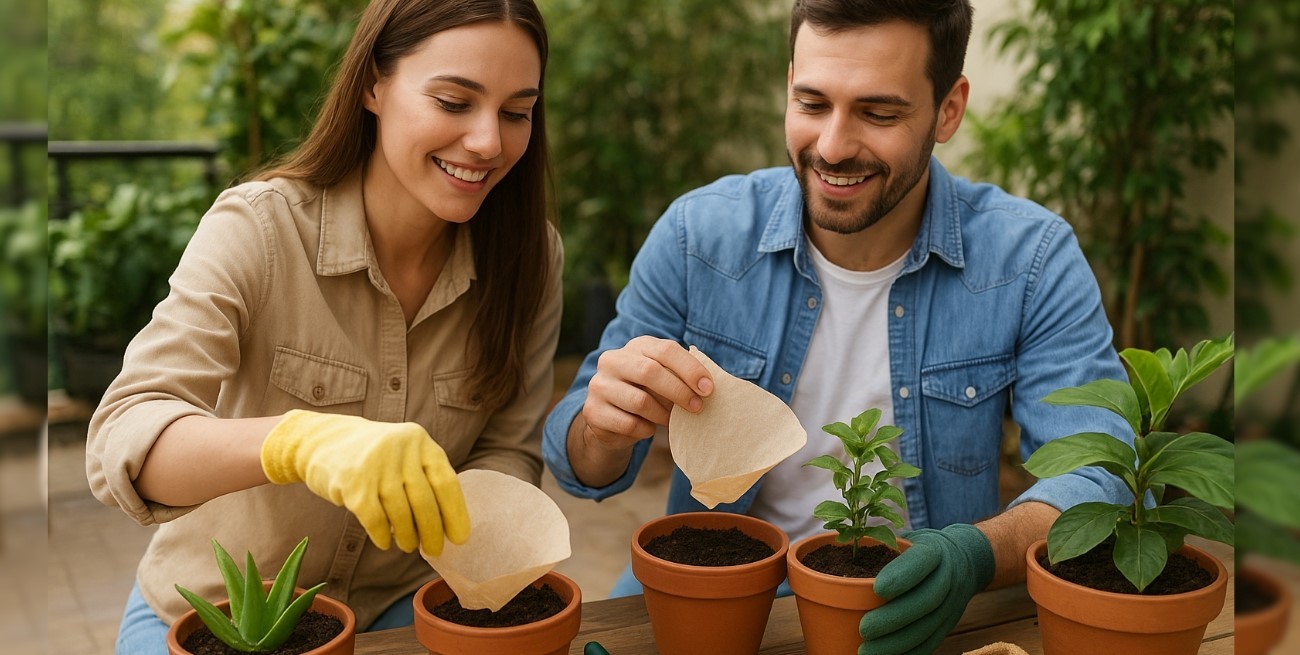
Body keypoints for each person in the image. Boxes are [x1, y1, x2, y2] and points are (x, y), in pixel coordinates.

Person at [543, 1, 1134, 653]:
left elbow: (1100, 469)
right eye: (812, 102)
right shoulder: (698, 236)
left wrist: (976, 553)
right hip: (710, 601)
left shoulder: (1029, 261)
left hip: (908, 611)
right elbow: (581, 466)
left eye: (878, 113)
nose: (831, 146)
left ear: (948, 108)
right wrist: (602, 424)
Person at [86, 1, 561, 652]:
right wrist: (297, 442)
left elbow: (508, 449)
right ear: (373, 84)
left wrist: (491, 546)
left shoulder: (533, 256)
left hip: (403, 608)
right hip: (218, 620)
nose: (488, 141)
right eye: (454, 101)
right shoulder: (259, 229)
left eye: (516, 112)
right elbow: (125, 436)